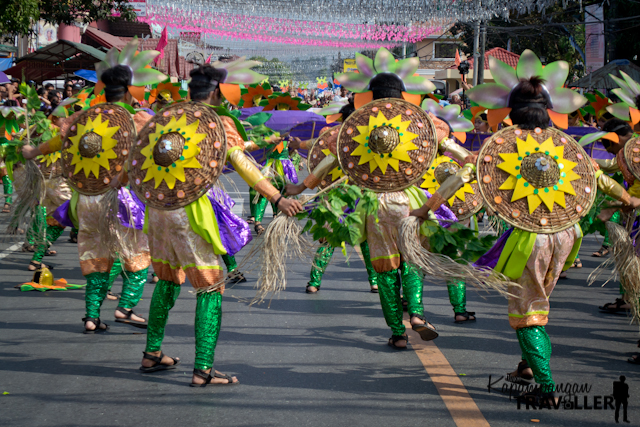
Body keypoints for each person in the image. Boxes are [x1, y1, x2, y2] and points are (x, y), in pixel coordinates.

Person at [412, 50, 640, 403]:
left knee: (529, 313)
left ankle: (547, 390)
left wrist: (425, 210)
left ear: (510, 111)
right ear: (548, 110)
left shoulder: (502, 144)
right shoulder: (565, 145)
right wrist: (630, 202)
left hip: (530, 240)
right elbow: (599, 178)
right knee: (539, 301)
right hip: (567, 236)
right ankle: (527, 365)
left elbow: (459, 178)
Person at [135, 62, 303, 386]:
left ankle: (151, 353)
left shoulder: (166, 118)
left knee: (168, 280)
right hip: (189, 212)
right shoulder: (217, 122)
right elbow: (241, 163)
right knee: (210, 286)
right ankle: (203, 370)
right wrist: (277, 198)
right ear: (216, 92)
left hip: (158, 209)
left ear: (189, 91)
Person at [22, 38, 164, 333]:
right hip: (121, 201)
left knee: (97, 258)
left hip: (86, 200)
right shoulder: (136, 118)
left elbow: (59, 140)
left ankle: (90, 317)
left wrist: (33, 152)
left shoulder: (82, 118)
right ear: (128, 89)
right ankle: (125, 308)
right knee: (137, 260)